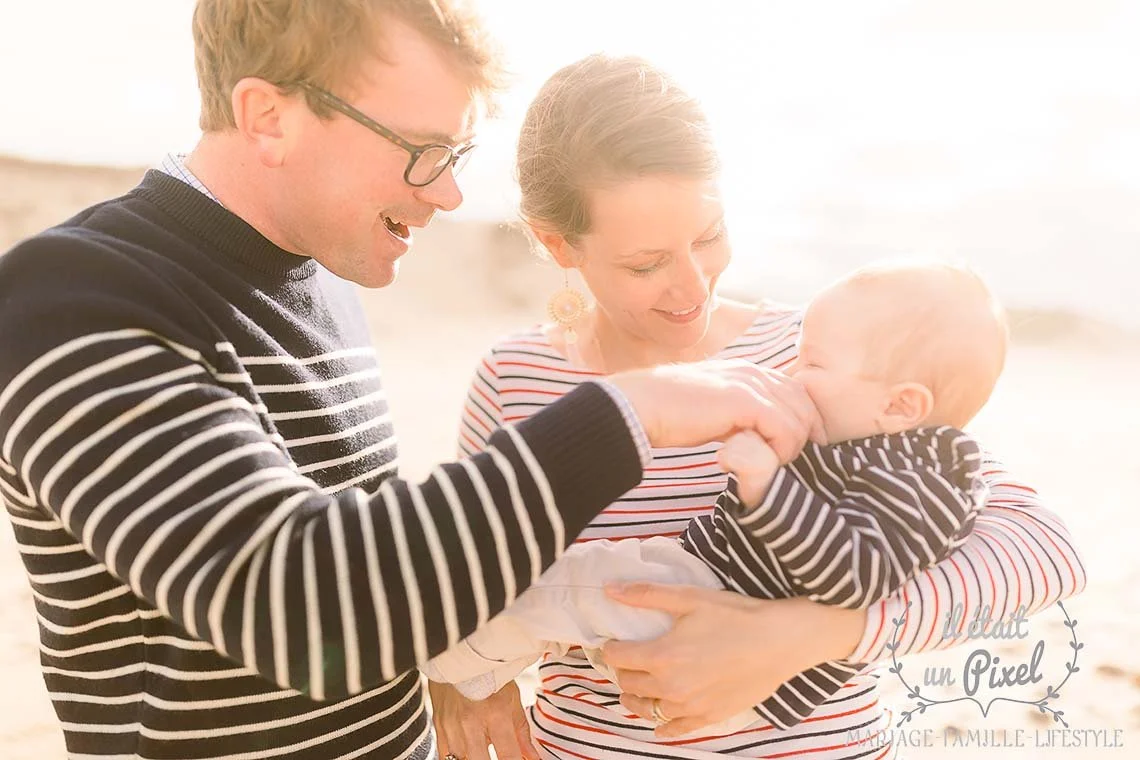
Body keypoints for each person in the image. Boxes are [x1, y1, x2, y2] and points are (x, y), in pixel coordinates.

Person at [0, 5, 825, 760]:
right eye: (424, 152)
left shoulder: (320, 281)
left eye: (457, 153)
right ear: (269, 116)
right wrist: (627, 413)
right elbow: (299, 606)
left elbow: (393, 566)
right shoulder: (70, 302)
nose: (453, 192)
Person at [427, 55, 1086, 760]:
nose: (692, 285)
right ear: (559, 243)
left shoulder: (816, 356)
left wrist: (811, 634)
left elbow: (1044, 553)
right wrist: (463, 681)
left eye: (708, 237)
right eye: (646, 263)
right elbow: (464, 580)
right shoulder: (516, 378)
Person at [424, 260, 1005, 739]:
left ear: (902, 406)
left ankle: (437, 657)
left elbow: (854, 576)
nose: (793, 371)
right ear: (560, 242)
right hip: (706, 594)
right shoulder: (867, 431)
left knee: (573, 584)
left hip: (723, 601)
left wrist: (767, 488)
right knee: (580, 598)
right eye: (645, 259)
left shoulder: (925, 481)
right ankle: (473, 663)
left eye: (813, 364)